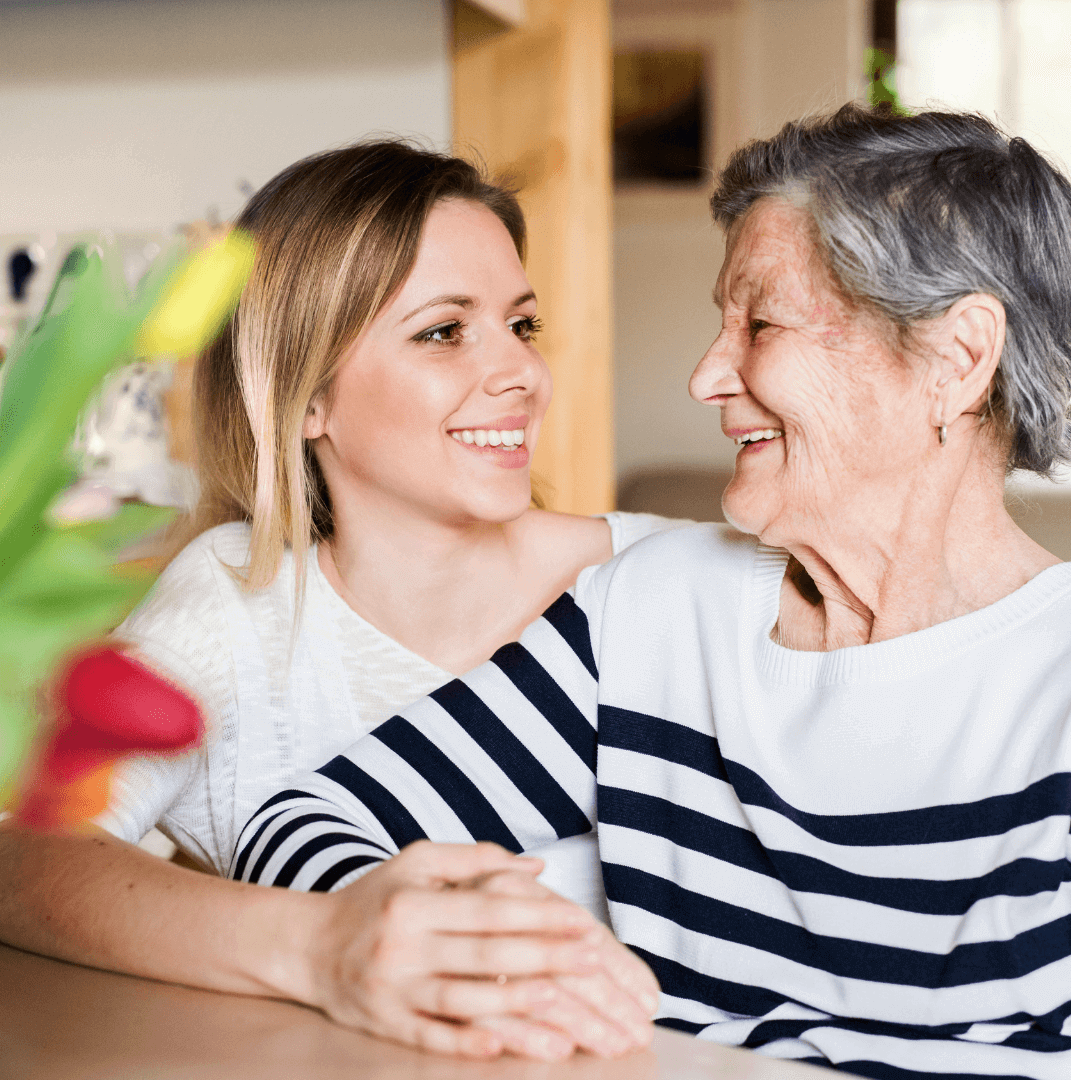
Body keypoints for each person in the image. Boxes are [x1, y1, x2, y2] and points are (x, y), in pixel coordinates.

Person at [233, 106, 1071, 1078]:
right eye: (720, 322)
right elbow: (300, 825)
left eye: (762, 322)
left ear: (955, 360)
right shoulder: (653, 613)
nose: (706, 375)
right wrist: (455, 953)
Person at [0, 141, 669, 1062]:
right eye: (445, 331)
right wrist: (322, 947)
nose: (519, 373)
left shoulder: (659, 582)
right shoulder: (237, 604)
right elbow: (21, 858)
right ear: (306, 395)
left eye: (522, 325)